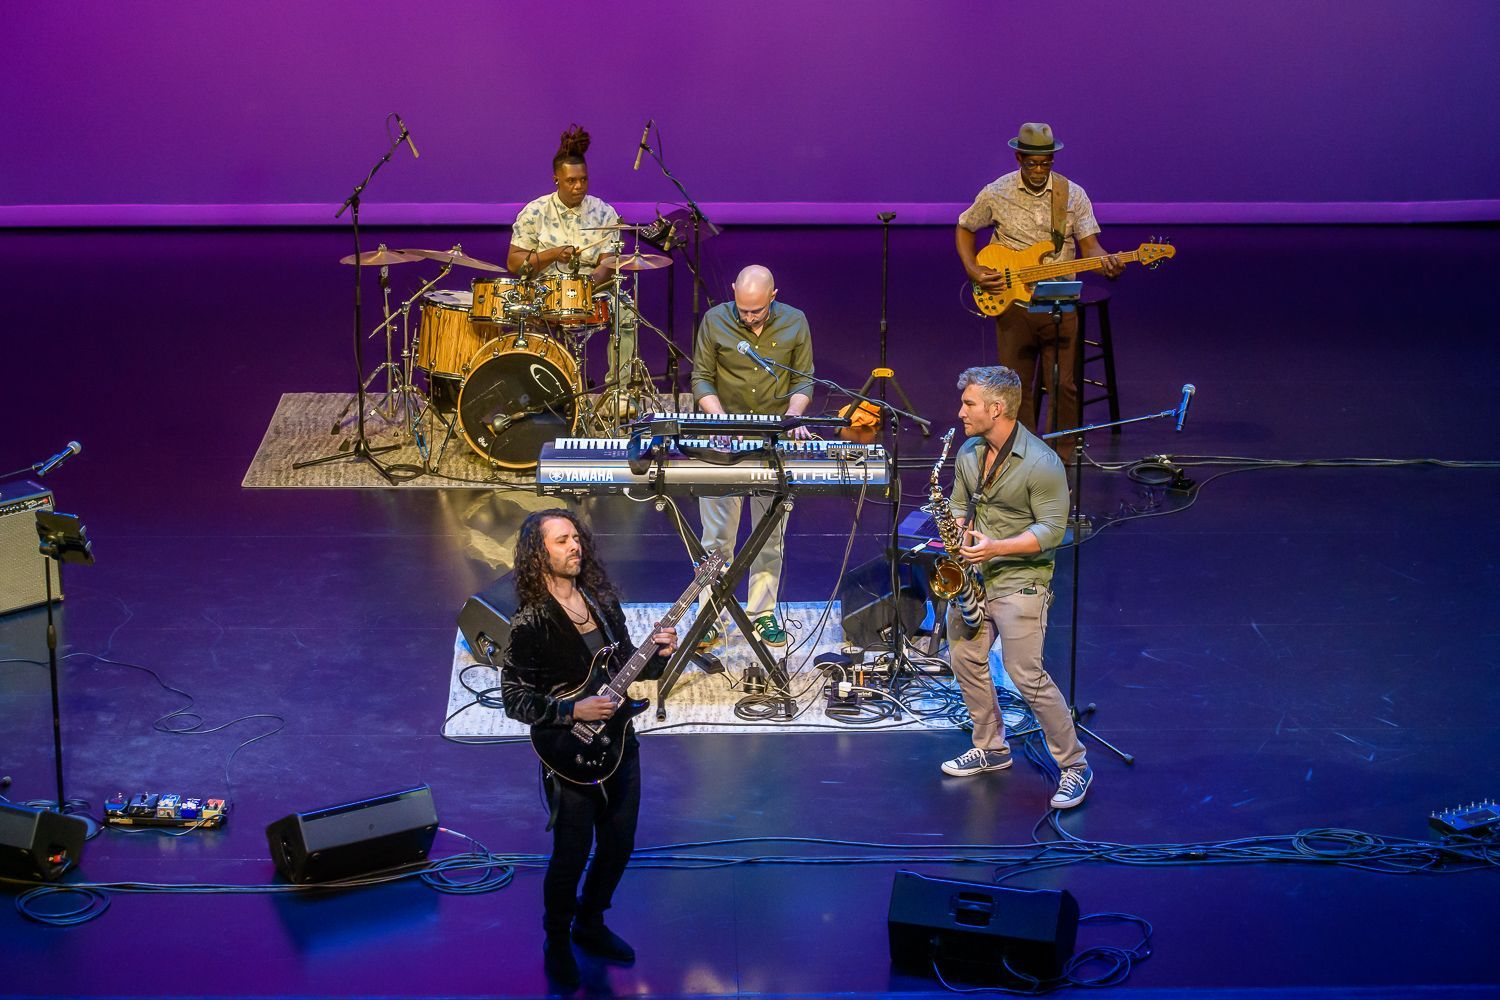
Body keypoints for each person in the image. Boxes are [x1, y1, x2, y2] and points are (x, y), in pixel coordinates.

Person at [499, 508, 679, 988]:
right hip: (568, 752)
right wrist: (571, 710)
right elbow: (513, 698)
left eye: (576, 537)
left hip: (620, 742)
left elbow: (627, 670)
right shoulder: (530, 621)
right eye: (561, 540)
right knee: (571, 853)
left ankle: (591, 921)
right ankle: (557, 939)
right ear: (538, 553)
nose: (574, 546)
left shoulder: (600, 601)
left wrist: (659, 655)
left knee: (619, 844)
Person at [940, 365, 1093, 810]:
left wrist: (996, 547)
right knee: (965, 658)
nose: (960, 412)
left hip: (1021, 580)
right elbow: (959, 503)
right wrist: (956, 531)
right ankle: (990, 747)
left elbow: (1052, 530)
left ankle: (1075, 765)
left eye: (969, 404)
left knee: (1025, 673)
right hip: (976, 576)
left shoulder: (1042, 463)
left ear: (996, 408)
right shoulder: (969, 452)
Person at [955, 122, 1123, 461]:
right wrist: (974, 269)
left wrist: (1107, 262)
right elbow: (965, 226)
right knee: (1014, 385)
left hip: (1058, 301)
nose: (1038, 170)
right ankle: (1022, 455)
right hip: (1013, 302)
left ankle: (1060, 458)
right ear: (1019, 158)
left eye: (1045, 163)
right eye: (1032, 163)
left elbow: (1090, 246)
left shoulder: (1072, 194)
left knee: (1064, 384)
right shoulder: (997, 191)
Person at [689, 265, 814, 649]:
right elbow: (701, 378)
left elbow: (804, 379)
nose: (748, 317)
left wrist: (794, 415)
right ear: (733, 292)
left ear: (773, 296)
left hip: (772, 438)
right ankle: (709, 615)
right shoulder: (715, 320)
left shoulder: (795, 321)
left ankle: (762, 614)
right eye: (742, 310)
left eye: (756, 311)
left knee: (768, 537)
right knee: (716, 539)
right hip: (723, 438)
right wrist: (720, 420)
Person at [507, 124, 637, 410]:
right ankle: (545, 393)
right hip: (547, 292)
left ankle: (618, 393)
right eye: (571, 181)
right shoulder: (535, 212)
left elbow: (609, 262)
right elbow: (514, 262)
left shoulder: (603, 212)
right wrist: (553, 254)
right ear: (556, 180)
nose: (579, 186)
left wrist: (586, 286)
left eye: (583, 180)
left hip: (592, 290)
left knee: (626, 310)